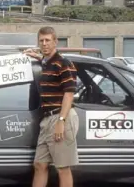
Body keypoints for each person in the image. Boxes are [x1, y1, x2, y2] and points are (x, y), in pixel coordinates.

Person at [23, 26, 79, 187]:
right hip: (47, 120)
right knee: (40, 165)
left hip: (61, 117)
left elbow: (69, 94)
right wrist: (37, 57)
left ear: (56, 42)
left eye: (48, 40)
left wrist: (61, 121)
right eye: (41, 41)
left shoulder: (64, 63)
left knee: (63, 168)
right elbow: (47, 63)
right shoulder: (47, 63)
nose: (44, 43)